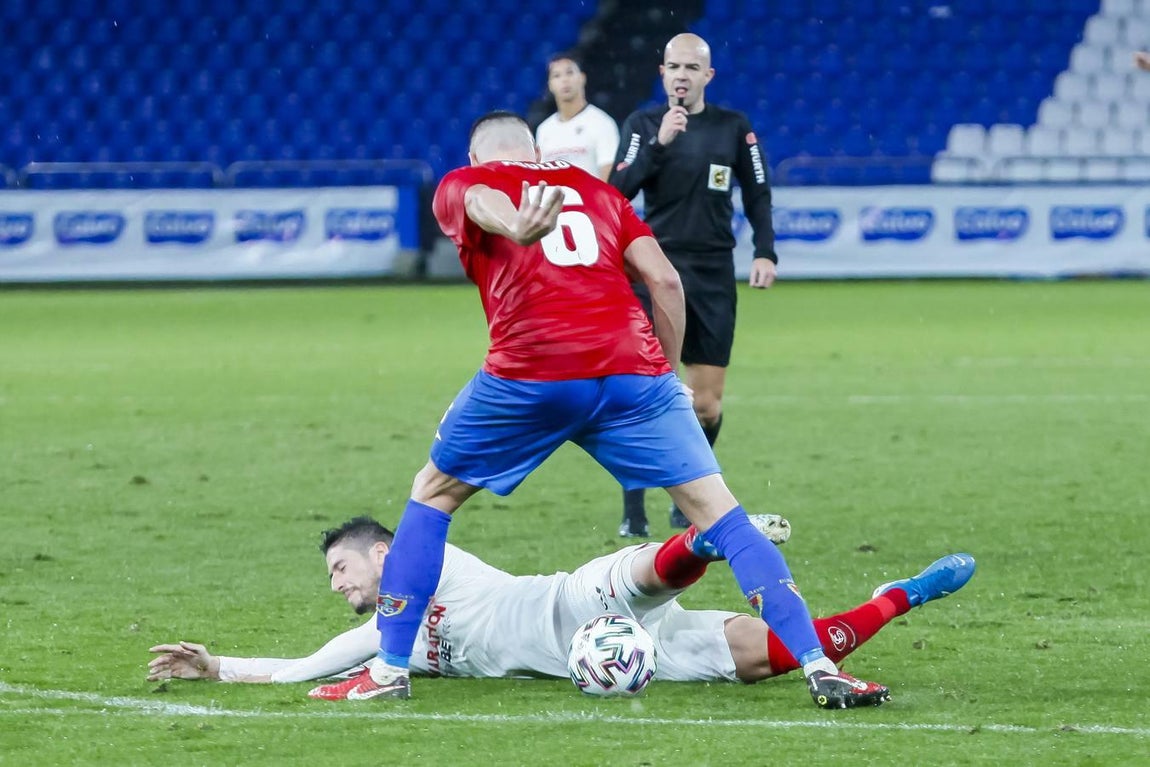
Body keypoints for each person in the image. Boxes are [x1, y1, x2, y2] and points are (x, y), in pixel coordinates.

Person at [347, 109, 888, 709]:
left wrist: (518, 228)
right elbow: (666, 282)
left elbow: (479, 202)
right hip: (634, 373)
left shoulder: (462, 181)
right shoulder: (597, 190)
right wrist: (666, 377)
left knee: (432, 495)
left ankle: (389, 669)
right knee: (723, 517)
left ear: (480, 154)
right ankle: (818, 666)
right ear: (536, 147)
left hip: (533, 372)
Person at [146, 516, 976, 700]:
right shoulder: (384, 637)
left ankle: (715, 532)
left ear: (380, 550)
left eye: (340, 566)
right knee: (778, 658)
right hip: (609, 658)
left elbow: (401, 575)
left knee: (658, 569)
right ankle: (901, 595)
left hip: (568, 601)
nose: (337, 583)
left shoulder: (425, 558)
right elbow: (309, 665)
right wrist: (219, 665)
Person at [610, 33, 779, 536]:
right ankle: (633, 508)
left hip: (709, 274)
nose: (681, 75)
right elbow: (617, 193)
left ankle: (690, 494)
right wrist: (659, 145)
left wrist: (765, 250)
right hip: (652, 271)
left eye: (691, 67)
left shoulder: (733, 128)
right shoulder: (643, 125)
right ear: (661, 72)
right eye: (673, 66)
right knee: (644, 392)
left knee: (705, 403)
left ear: (708, 76)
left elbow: (759, 192)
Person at [535, 53, 620, 180]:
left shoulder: (602, 123)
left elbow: (609, 176)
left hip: (590, 199)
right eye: (557, 75)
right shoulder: (544, 129)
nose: (564, 80)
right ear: (550, 85)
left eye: (569, 73)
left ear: (582, 78)